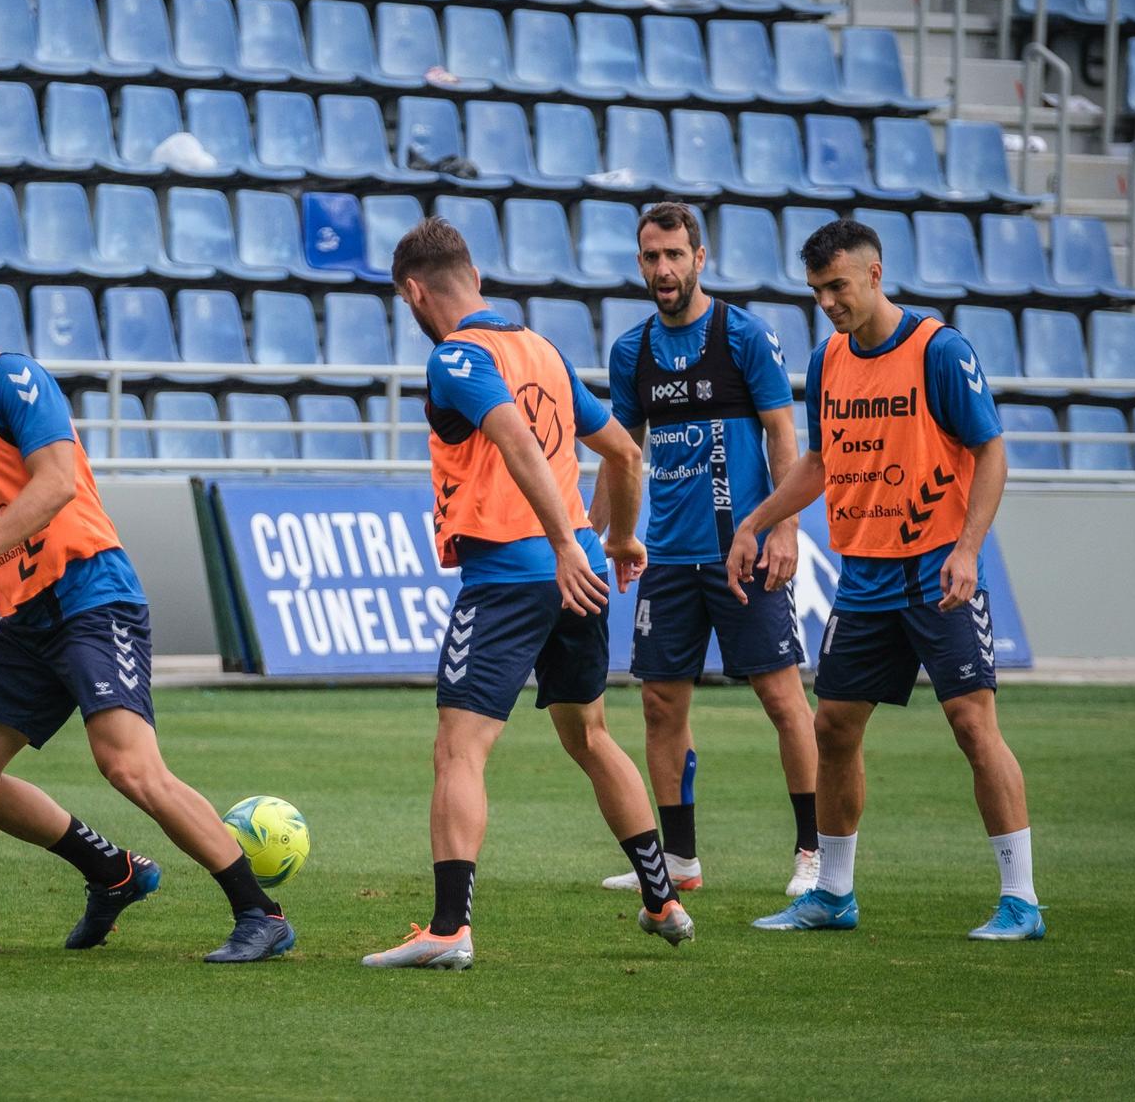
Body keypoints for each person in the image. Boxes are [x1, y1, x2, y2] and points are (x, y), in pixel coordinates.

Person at [0, 270, 295, 963]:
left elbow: (55, 483)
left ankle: (260, 912)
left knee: (131, 767)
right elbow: (5, 515)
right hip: (28, 615)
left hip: (91, 593)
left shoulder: (9, 379)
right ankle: (113, 871)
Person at [363, 217, 692, 973]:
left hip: (514, 577)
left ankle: (449, 929)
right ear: (473, 276)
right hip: (572, 580)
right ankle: (662, 899)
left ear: (415, 291)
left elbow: (513, 439)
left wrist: (564, 543)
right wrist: (618, 537)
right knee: (590, 737)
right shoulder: (539, 348)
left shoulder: (457, 357)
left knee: (459, 747)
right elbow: (624, 451)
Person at [730, 218, 1042, 940]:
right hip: (865, 574)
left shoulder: (938, 350)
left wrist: (968, 550)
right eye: (816, 291)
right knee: (833, 725)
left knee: (972, 724)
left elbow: (991, 452)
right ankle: (833, 893)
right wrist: (756, 521)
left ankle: (1021, 899)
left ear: (874, 273)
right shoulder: (830, 358)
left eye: (837, 285)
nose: (828, 302)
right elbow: (819, 461)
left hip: (939, 569)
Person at [593, 203, 821, 899]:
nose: (663, 269)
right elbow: (619, 453)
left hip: (742, 554)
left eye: (674, 255)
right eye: (651, 257)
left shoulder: (745, 336)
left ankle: (815, 851)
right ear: (640, 263)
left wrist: (784, 527)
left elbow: (783, 437)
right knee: (661, 704)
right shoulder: (631, 353)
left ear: (700, 257)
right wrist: (585, 532)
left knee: (782, 699)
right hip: (666, 558)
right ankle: (679, 862)